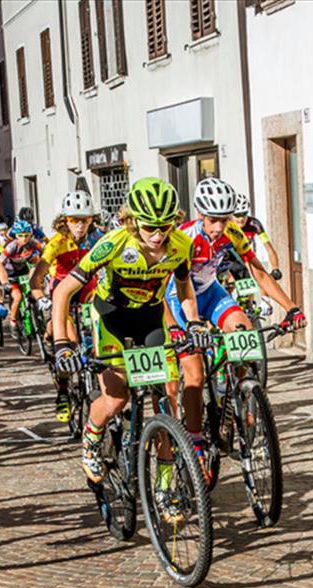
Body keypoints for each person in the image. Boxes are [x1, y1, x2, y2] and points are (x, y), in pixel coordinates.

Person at [51, 178, 204, 483]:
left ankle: (164, 488)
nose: (158, 235)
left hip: (150, 317)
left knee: (166, 405)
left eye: (166, 227)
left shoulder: (181, 245)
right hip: (111, 318)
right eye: (150, 227)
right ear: (133, 221)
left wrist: (195, 323)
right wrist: (61, 344)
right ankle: (91, 440)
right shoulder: (113, 243)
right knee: (117, 399)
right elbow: (63, 292)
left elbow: (185, 290)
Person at [165, 177, 305, 472]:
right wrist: (184, 326)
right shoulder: (183, 238)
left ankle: (240, 391)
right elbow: (166, 286)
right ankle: (196, 443)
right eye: (213, 220)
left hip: (210, 292)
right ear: (201, 215)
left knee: (243, 329)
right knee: (194, 373)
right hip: (180, 297)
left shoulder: (233, 234)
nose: (218, 227)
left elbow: (259, 272)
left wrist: (291, 307)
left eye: (224, 219)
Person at [32, 189, 103, 423]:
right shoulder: (57, 243)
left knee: (100, 337)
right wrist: (40, 297)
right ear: (65, 220)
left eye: (85, 220)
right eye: (74, 220)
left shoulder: (98, 239)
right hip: (63, 293)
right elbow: (37, 277)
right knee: (69, 343)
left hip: (88, 292)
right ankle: (63, 390)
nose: (80, 226)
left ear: (92, 219)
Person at [230, 192, 281, 273]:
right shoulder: (226, 224)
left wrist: (275, 268)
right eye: (237, 215)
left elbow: (269, 249)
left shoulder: (254, 224)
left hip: (245, 257)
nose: (241, 218)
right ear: (231, 214)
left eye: (244, 214)